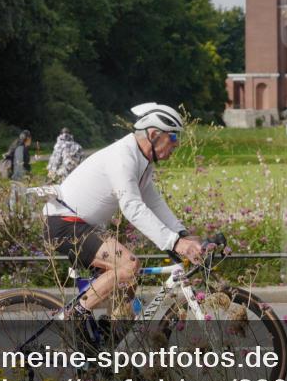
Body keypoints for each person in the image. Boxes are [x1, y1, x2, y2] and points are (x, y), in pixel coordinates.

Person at [43, 103, 203, 322]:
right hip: (64, 223)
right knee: (128, 265)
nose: (177, 145)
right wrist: (174, 243)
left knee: (128, 285)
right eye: (174, 138)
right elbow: (132, 207)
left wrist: (182, 235)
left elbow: (154, 203)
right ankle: (71, 318)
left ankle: (110, 342)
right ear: (154, 134)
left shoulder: (142, 162)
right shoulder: (123, 156)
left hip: (80, 225)